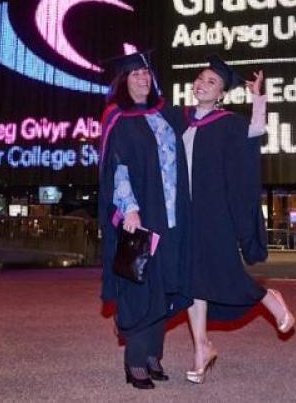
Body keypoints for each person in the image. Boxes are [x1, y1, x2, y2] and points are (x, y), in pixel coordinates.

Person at [183, 56, 295, 384]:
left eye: (212, 82)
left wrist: (258, 97)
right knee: (191, 280)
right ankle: (201, 347)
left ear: (221, 94)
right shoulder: (181, 120)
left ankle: (269, 299)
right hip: (185, 213)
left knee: (224, 271)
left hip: (214, 211)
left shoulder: (227, 122)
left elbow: (256, 131)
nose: (203, 84)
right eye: (200, 78)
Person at [98, 51, 192, 389]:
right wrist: (129, 209)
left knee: (165, 284)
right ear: (124, 81)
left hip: (173, 216)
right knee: (141, 285)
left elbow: (201, 128)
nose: (143, 78)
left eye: (147, 74)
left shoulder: (165, 114)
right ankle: (136, 360)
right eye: (136, 74)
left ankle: (154, 353)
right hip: (142, 214)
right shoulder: (117, 118)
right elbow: (117, 167)